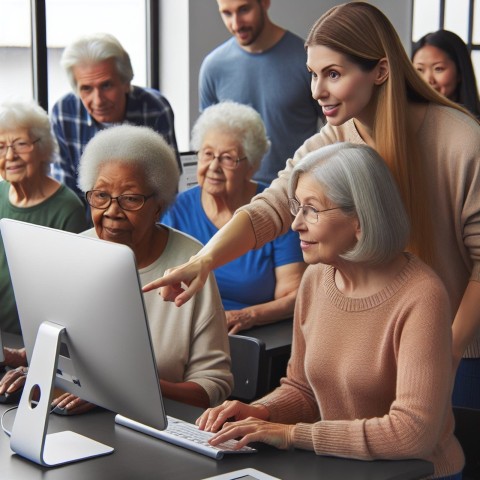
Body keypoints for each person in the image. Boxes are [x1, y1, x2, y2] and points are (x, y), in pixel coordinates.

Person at [144, 2, 480, 411]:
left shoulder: (461, 141)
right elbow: (271, 207)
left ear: (380, 70)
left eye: (333, 74)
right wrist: (204, 261)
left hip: (458, 349)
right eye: (313, 74)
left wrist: (447, 349)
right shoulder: (333, 138)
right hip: (374, 346)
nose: (316, 91)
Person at [195, 143, 464, 479]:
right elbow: (303, 389)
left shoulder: (422, 296)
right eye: (297, 207)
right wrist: (262, 411)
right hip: (340, 467)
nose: (295, 225)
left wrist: (292, 435)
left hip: (417, 474)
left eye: (312, 210)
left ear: (361, 220)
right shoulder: (317, 278)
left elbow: (412, 434)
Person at [0, 124, 233, 410]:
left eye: (131, 199)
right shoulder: (72, 252)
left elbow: (212, 387)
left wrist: (122, 389)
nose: (112, 211)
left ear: (158, 206)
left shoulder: (189, 261)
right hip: (76, 420)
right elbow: (65, 348)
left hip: (158, 433)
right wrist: (31, 361)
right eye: (100, 196)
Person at [162, 102, 306, 334]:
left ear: (251, 165)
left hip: (251, 333)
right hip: (187, 330)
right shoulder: (175, 209)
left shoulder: (275, 209)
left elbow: (293, 295)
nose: (213, 167)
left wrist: (249, 316)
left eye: (228, 158)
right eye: (207, 154)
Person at [199, 0, 323, 184]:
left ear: (264, 2)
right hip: (236, 198)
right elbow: (210, 141)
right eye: (227, 13)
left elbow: (337, 130)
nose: (236, 23)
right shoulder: (213, 67)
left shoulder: (307, 60)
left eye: (244, 9)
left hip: (295, 194)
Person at [50, 32, 179, 201]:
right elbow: (66, 194)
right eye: (86, 89)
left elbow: (167, 185)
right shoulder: (63, 112)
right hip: (83, 223)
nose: (98, 101)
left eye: (106, 85)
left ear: (126, 83)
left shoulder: (154, 108)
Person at [0, 100, 87, 345]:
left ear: (43, 148)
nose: (10, 156)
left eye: (21, 144)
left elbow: (71, 295)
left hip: (38, 341)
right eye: (1, 146)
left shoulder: (67, 208)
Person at [412, 29, 480, 117]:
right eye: (419, 70)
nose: (428, 80)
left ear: (459, 71)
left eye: (438, 69)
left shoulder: (473, 125)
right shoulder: (405, 119)